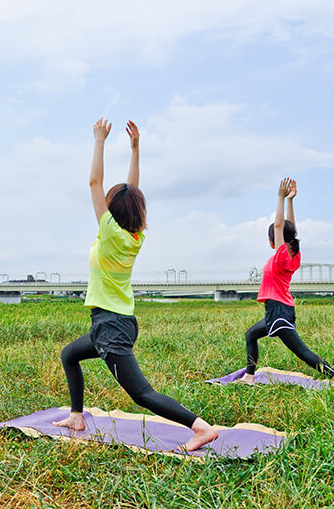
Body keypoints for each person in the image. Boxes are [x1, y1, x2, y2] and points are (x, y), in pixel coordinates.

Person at [52, 118, 218, 451]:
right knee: (69, 355)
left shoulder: (111, 232)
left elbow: (94, 181)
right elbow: (133, 191)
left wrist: (99, 140)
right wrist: (135, 149)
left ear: (113, 212)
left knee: (141, 394)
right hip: (116, 322)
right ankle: (76, 415)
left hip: (111, 327)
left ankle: (201, 428)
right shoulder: (135, 235)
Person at [242, 178, 334, 387]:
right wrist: (291, 200)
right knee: (251, 335)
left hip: (278, 311)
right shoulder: (293, 256)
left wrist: (280, 198)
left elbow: (281, 225)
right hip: (277, 311)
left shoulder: (281, 258)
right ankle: (249, 376)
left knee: (302, 351)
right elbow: (290, 228)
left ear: (275, 240)